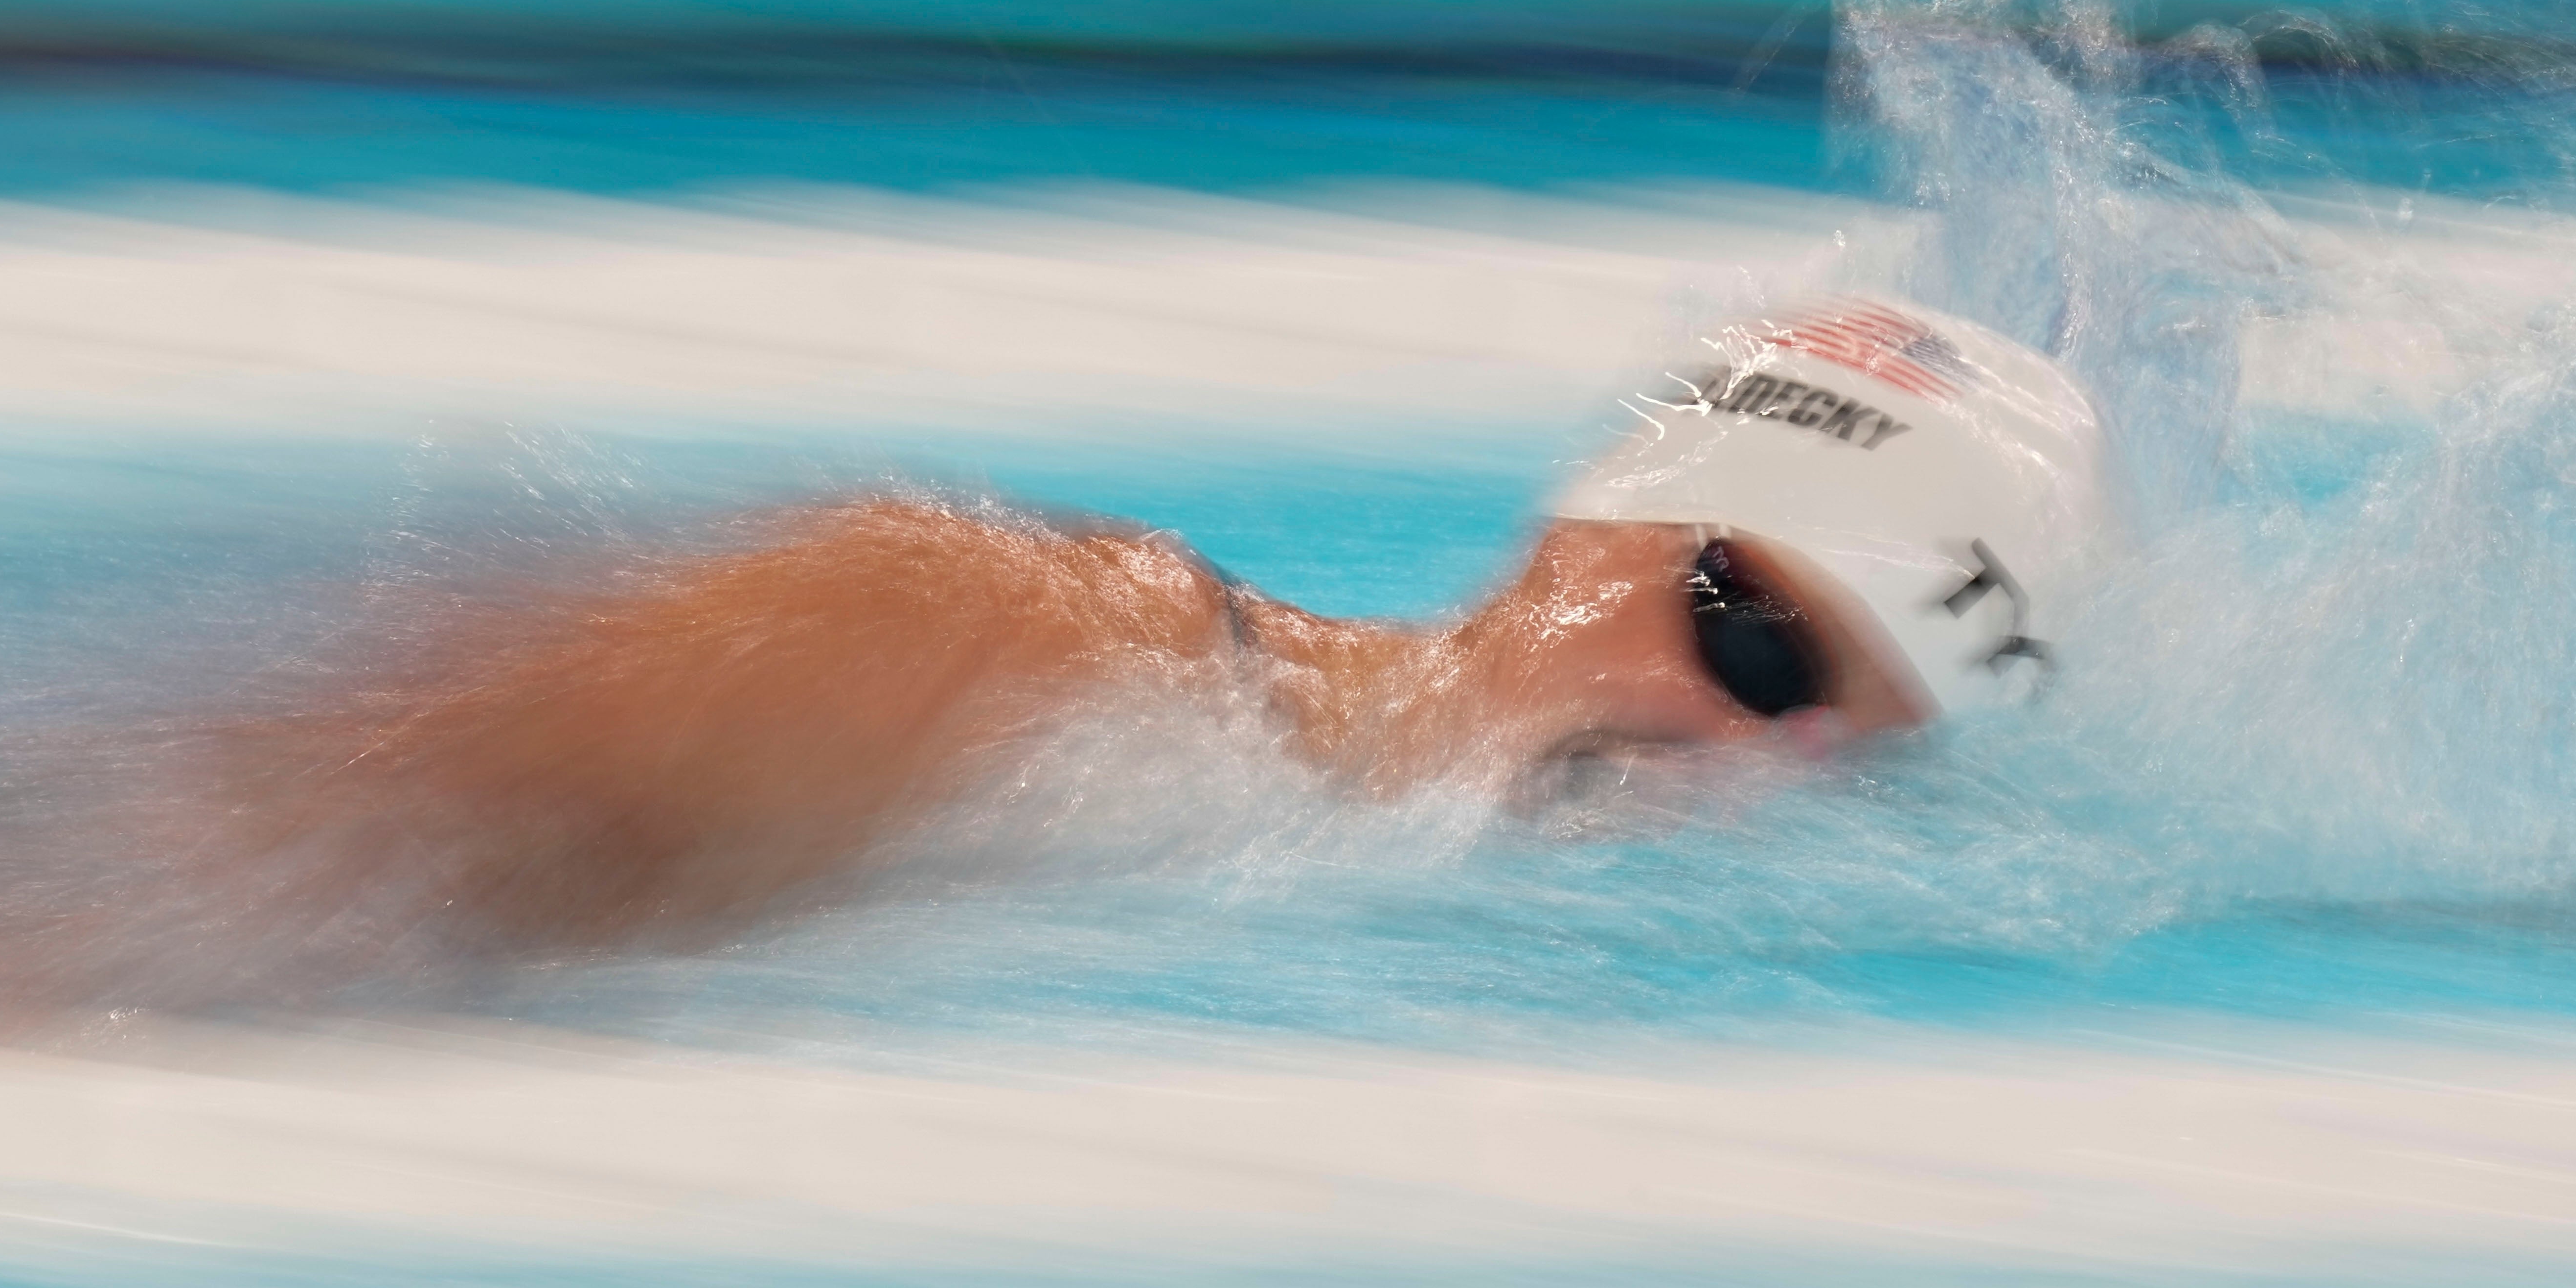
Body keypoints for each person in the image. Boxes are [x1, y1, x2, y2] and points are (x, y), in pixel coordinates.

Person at [160, 297, 2110, 969]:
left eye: (1856, 753)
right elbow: (279, 866)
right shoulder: (1011, 640)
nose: (1750, 759)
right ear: (1588, 533)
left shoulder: (1360, 891)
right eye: (1759, 644)